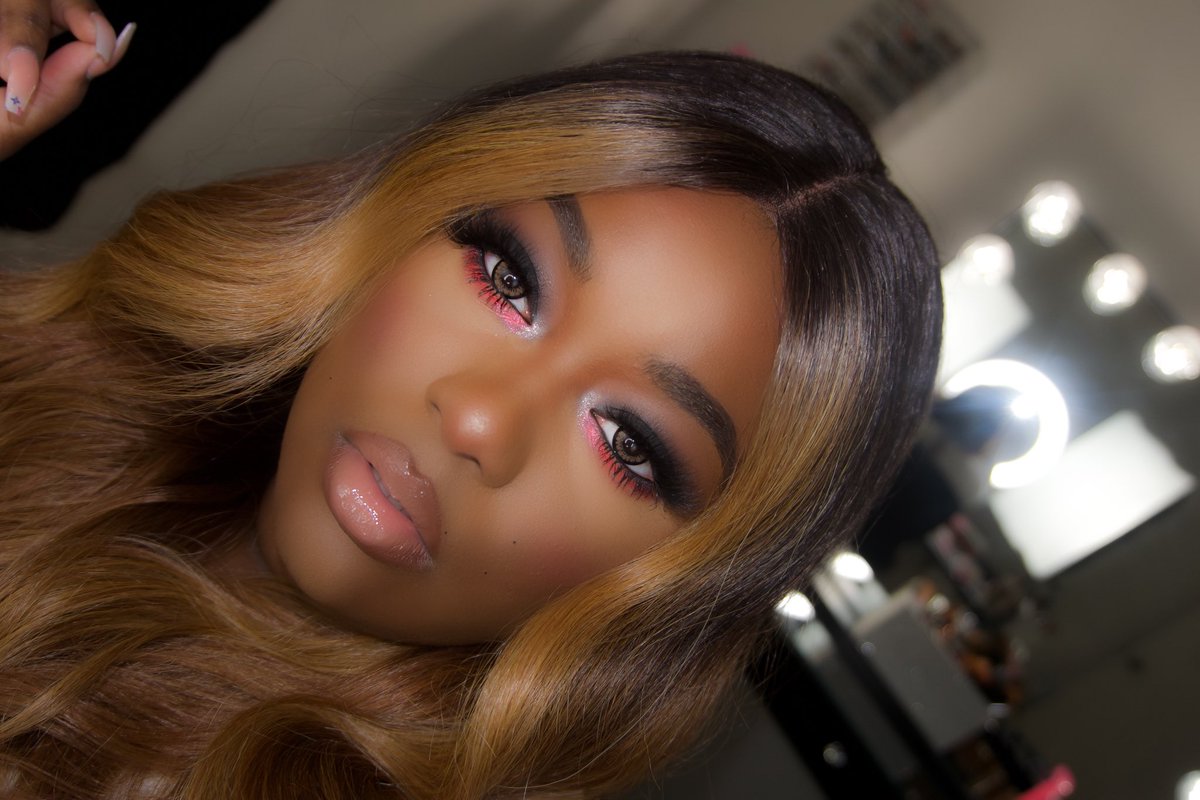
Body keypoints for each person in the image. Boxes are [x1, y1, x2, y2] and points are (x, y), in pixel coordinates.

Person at [0, 4, 942, 798]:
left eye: (629, 444)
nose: (482, 420)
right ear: (402, 215)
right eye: (509, 278)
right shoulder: (51, 395)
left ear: (675, 591)